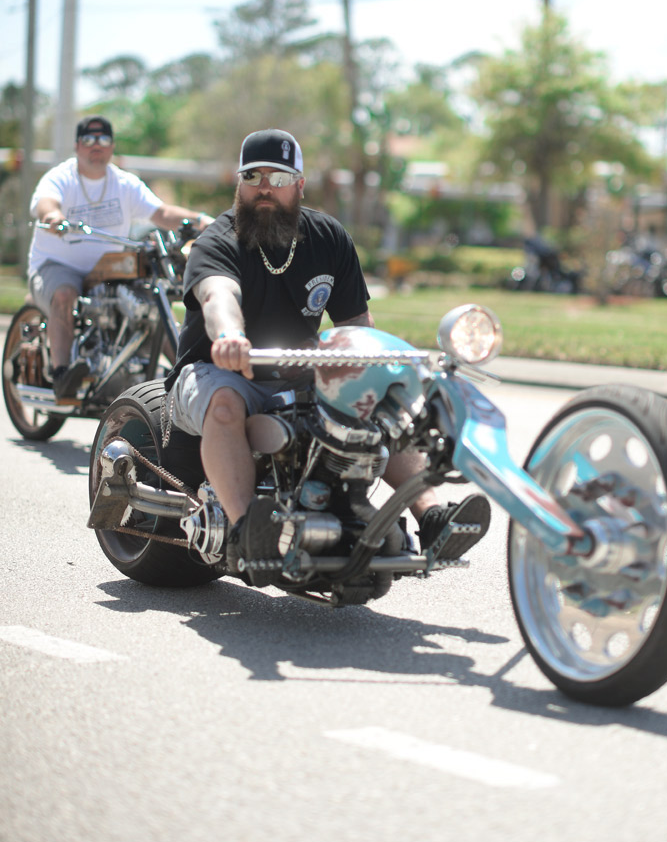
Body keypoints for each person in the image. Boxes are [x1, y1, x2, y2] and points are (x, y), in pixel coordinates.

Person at [164, 127, 490, 572]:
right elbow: (218, 296)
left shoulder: (328, 238)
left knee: (374, 400)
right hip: (217, 372)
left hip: (299, 375)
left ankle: (431, 515)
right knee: (223, 403)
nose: (264, 188)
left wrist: (379, 365)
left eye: (278, 178)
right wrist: (229, 337)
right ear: (238, 183)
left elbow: (357, 326)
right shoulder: (217, 241)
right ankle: (246, 532)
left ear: (299, 185)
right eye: (253, 176)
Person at [28, 115, 215, 400]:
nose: (96, 146)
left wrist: (202, 220)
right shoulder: (61, 177)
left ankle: (194, 376)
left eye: (103, 140)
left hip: (108, 269)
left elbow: (161, 213)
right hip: (57, 265)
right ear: (78, 146)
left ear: (112, 146)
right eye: (89, 140)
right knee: (65, 294)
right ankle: (62, 375)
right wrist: (54, 217)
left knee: (149, 302)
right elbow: (46, 202)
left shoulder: (125, 183)